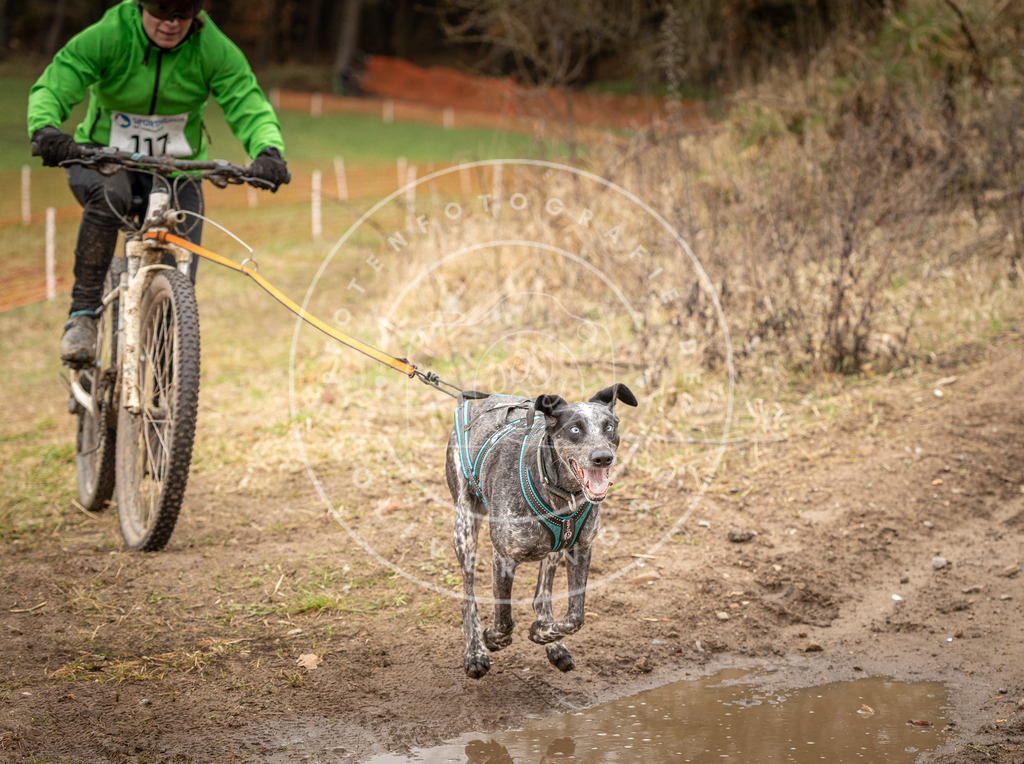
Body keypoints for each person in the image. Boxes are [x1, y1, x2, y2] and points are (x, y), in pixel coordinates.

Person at [27, 0, 290, 366]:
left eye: (183, 14)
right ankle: (83, 315)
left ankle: (166, 368)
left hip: (176, 167)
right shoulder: (112, 33)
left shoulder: (211, 46)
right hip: (102, 157)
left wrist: (268, 150)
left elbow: (246, 100)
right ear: (140, 6)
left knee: (180, 251)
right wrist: (45, 127)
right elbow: (61, 78)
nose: (172, 22)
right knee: (110, 195)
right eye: (161, 10)